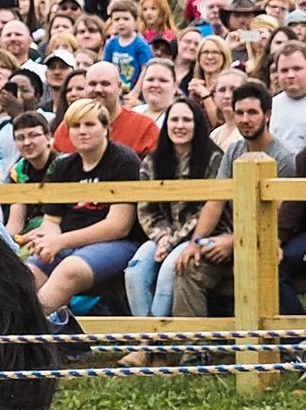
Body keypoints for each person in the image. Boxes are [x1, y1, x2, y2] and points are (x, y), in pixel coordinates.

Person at [175, 82, 298, 318]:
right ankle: (193, 351)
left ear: (267, 115)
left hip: (266, 241)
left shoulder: (284, 157)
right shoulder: (233, 151)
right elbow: (216, 199)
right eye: (239, 113)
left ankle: (267, 344)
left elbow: (278, 218)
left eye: (252, 112)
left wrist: (232, 242)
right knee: (189, 265)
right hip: (230, 237)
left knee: (255, 262)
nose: (245, 119)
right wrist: (196, 242)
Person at [120, 98, 218, 363]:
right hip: (162, 234)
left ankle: (149, 346)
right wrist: (162, 237)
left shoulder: (213, 159)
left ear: (198, 125)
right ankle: (149, 344)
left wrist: (174, 240)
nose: (180, 125)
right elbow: (146, 208)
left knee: (170, 271)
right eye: (174, 120)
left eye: (187, 120)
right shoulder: (153, 161)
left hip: (201, 235)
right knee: (136, 270)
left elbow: (207, 210)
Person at [22, 99, 141, 316]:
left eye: (89, 124)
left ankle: (28, 331)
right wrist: (48, 241)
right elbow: (52, 220)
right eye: (75, 126)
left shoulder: (124, 161)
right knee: (28, 273)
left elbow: (118, 226)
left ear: (106, 128)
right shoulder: (63, 166)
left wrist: (60, 241)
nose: (82, 132)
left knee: (69, 270)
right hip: (68, 242)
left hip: (117, 243)